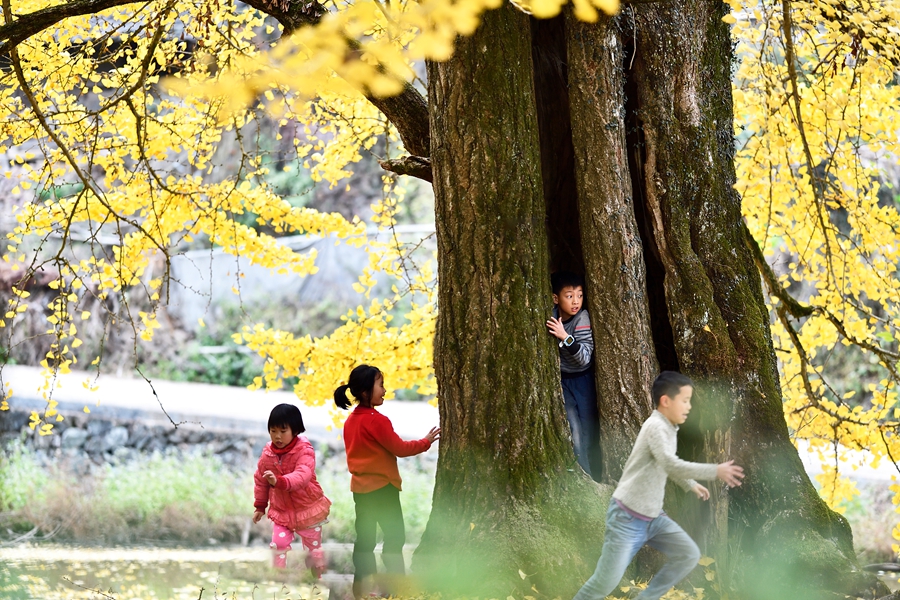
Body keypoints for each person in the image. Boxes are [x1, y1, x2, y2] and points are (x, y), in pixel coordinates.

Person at [572, 371, 745, 600]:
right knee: (604, 583)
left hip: (653, 518)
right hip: (627, 518)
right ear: (666, 401)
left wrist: (690, 484)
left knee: (687, 554)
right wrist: (715, 471)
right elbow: (670, 463)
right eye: (684, 400)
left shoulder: (669, 427)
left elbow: (664, 464)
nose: (689, 407)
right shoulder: (655, 426)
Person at [334, 364, 440, 599]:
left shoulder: (351, 421)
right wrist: (425, 442)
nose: (384, 390)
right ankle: (394, 589)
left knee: (365, 541)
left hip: (360, 491)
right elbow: (399, 448)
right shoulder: (376, 420)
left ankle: (362, 588)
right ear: (364, 392)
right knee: (394, 538)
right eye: (380, 385)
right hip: (383, 490)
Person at [252, 403, 332, 578]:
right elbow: (260, 480)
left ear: (295, 431)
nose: (277, 436)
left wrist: (279, 481)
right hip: (282, 511)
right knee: (278, 544)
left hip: (307, 510)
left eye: (283, 431)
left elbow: (302, 476)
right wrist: (260, 506)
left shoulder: (305, 451)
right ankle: (278, 577)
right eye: (273, 431)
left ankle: (318, 578)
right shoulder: (268, 454)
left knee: (314, 550)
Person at [546, 270, 599, 478]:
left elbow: (584, 358)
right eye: (569, 296)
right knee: (573, 429)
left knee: (587, 431)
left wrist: (565, 337)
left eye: (580, 295)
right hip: (562, 382)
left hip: (582, 381)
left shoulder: (582, 318)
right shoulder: (550, 315)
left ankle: (593, 475)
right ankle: (581, 474)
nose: (576, 301)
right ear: (555, 298)